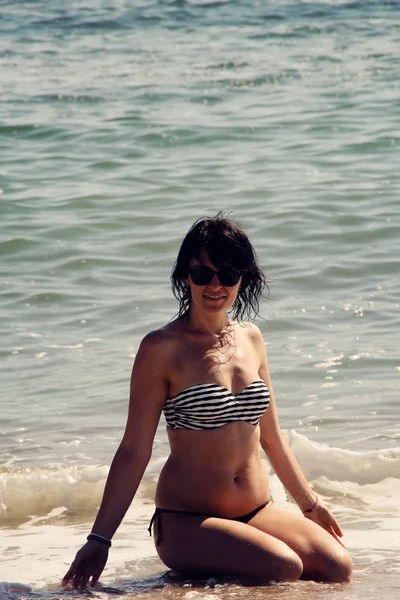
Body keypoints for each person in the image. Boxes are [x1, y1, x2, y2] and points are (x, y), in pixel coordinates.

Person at [62, 214, 352, 589]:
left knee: (337, 567)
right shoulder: (161, 348)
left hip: (255, 511)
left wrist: (310, 505)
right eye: (202, 274)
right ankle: (187, 582)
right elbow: (134, 450)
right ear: (186, 276)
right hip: (187, 520)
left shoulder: (251, 338)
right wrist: (98, 540)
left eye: (228, 273)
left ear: (242, 278)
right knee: (283, 568)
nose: (215, 284)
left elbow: (271, 438)